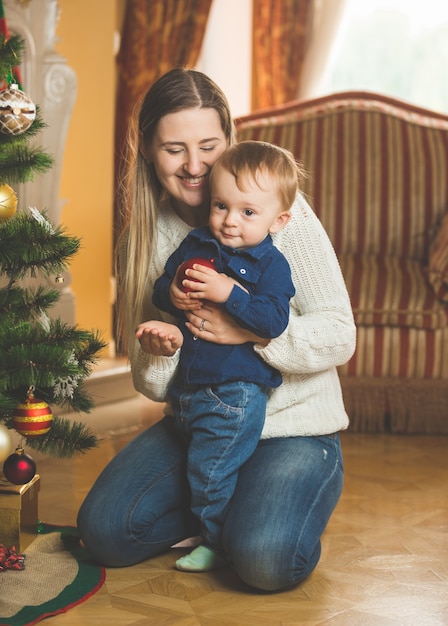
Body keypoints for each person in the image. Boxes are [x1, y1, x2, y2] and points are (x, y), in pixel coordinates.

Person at [77, 67, 356, 592]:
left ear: (229, 138)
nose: (195, 166)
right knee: (105, 532)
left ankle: (268, 505)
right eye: (173, 149)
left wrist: (251, 332)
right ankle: (221, 502)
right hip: (202, 422)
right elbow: (151, 384)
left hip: (291, 430)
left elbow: (341, 333)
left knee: (265, 561)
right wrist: (166, 345)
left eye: (208, 145)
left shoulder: (275, 213)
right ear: (148, 153)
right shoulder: (149, 237)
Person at [141, 141, 297, 572]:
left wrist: (230, 295)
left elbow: (273, 320)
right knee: (202, 469)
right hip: (189, 391)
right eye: (221, 206)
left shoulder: (270, 264)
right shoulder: (196, 242)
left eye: (248, 212)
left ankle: (216, 541)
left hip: (235, 393)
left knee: (212, 472)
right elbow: (163, 285)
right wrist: (169, 293)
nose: (230, 221)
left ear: (278, 219)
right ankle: (204, 524)